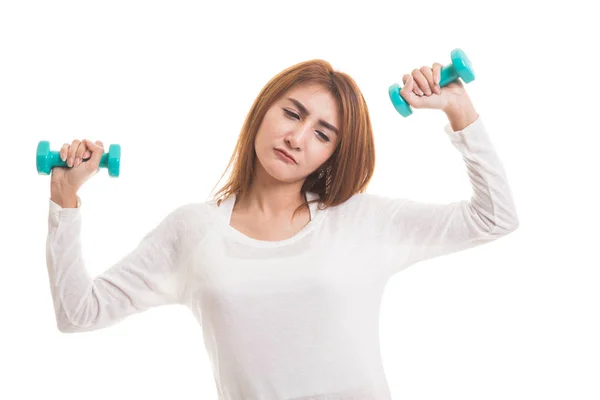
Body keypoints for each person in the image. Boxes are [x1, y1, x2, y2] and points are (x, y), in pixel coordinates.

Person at [46, 59, 519, 399]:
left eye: (322, 133)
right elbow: (79, 312)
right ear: (264, 110)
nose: (297, 137)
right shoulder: (193, 230)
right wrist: (64, 198)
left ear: (333, 153)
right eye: (292, 113)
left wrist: (459, 111)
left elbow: (494, 218)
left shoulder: (360, 221)